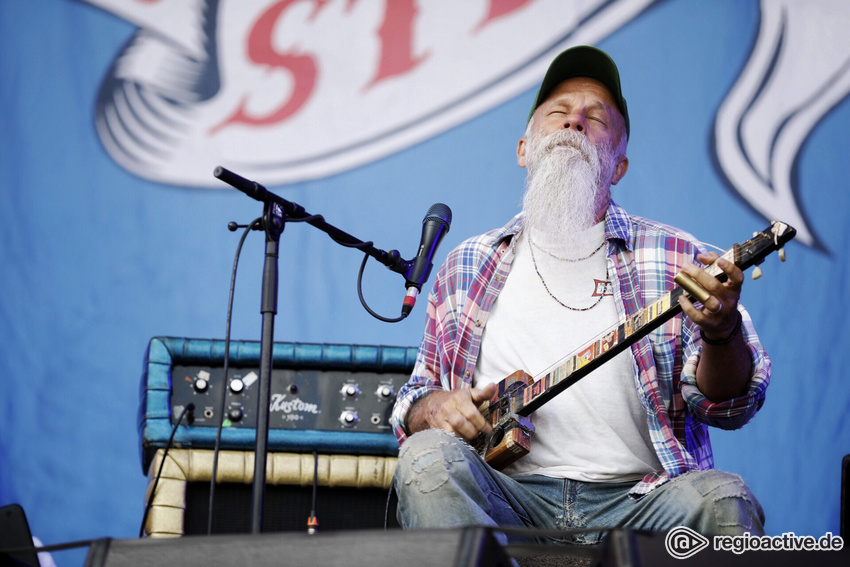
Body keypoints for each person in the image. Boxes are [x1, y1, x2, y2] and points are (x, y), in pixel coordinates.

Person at [390, 45, 768, 545]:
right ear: (524, 148)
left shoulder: (681, 257)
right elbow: (415, 399)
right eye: (558, 113)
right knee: (425, 457)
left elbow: (732, 405)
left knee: (724, 500)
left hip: (640, 503)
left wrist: (723, 334)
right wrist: (432, 409)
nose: (574, 124)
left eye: (595, 119)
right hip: (507, 497)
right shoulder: (468, 264)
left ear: (618, 166)